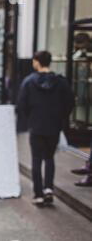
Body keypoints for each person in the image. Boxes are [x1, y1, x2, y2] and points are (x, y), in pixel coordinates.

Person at [17, 51, 75, 207]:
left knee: (36, 159)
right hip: (54, 126)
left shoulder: (29, 82)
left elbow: (22, 104)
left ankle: (38, 194)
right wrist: (60, 118)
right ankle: (48, 188)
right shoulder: (61, 82)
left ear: (37, 62)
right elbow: (70, 102)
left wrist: (30, 118)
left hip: (36, 126)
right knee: (49, 157)